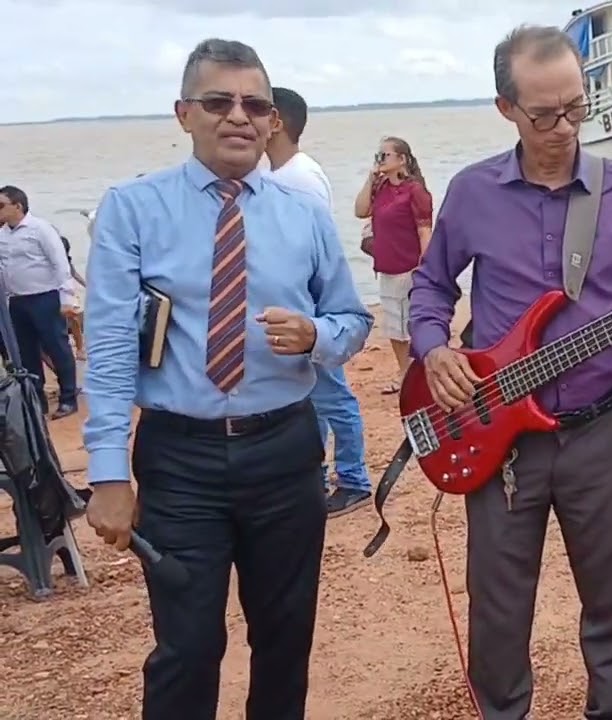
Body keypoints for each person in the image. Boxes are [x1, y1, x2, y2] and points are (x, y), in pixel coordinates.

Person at [408, 24, 612, 720]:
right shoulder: (471, 193)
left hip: (602, 429)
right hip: (502, 439)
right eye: (544, 115)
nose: (565, 128)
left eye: (576, 107)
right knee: (498, 607)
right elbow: (431, 286)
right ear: (506, 108)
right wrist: (434, 350)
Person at [81, 38, 372, 720]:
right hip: (180, 460)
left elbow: (351, 319)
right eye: (219, 102)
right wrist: (108, 474)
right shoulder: (133, 208)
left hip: (285, 453)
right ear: (184, 114)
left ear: (273, 121)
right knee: (185, 650)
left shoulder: (304, 213)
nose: (239, 116)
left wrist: (316, 335)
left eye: (256, 105)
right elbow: (113, 346)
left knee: (285, 641)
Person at [264, 85, 372, 515]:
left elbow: (314, 254)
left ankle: (354, 479)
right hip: (299, 312)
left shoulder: (298, 178)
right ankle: (320, 474)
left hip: (309, 314)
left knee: (332, 398)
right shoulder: (284, 173)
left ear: (276, 122)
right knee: (315, 401)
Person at [354, 135, 433, 395]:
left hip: (408, 267)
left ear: (401, 159)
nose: (380, 159)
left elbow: (424, 230)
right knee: (393, 327)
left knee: (408, 327)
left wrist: (424, 266)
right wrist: (370, 178)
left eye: (385, 155)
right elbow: (360, 210)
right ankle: (404, 373)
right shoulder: (380, 187)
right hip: (386, 267)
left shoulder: (414, 191)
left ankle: (416, 375)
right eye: (378, 155)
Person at [0, 185, 79, 418]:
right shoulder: (3, 234)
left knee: (57, 347)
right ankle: (36, 402)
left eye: (1, 205)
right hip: (16, 301)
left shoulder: (40, 229)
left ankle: (68, 398)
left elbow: (60, 263)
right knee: (26, 353)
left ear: (18, 206)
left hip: (45, 297)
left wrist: (67, 297)